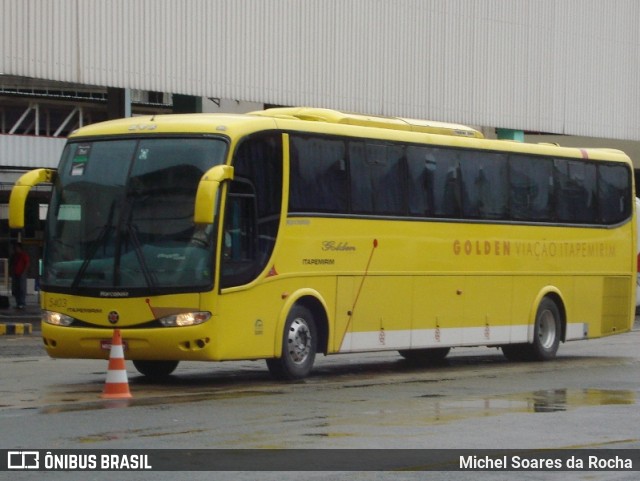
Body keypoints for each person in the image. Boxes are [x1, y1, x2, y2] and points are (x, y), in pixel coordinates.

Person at [10, 242, 30, 309]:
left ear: (20, 248)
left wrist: (24, 272)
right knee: (16, 289)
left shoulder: (24, 255)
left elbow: (27, 264)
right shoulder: (14, 255)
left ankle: (22, 302)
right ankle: (18, 302)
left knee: (21, 288)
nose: (15, 249)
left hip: (21, 274)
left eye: (17, 248)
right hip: (15, 273)